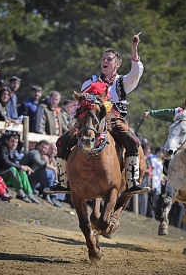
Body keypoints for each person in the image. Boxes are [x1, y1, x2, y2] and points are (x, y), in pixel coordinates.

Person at [45, 33, 149, 195]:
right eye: (103, 59)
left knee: (133, 140)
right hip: (91, 121)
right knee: (61, 141)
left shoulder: (122, 82)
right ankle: (63, 181)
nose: (105, 61)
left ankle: (131, 181)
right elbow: (81, 104)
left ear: (117, 64)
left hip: (114, 121)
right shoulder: (90, 82)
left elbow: (136, 73)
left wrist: (134, 48)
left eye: (109, 59)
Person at [0, 132, 40, 204]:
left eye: (16, 142)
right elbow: (6, 162)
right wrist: (20, 166)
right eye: (12, 141)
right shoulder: (1, 149)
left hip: (4, 176)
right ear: (7, 141)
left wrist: (22, 167)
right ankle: (20, 193)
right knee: (13, 169)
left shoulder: (13, 151)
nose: (14, 144)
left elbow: (15, 164)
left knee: (22, 171)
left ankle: (29, 194)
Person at [19, 140, 62, 207]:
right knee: (43, 171)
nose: (43, 149)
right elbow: (39, 163)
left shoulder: (47, 157)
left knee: (56, 175)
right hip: (23, 179)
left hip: (31, 180)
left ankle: (53, 196)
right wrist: (53, 168)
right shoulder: (34, 152)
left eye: (45, 148)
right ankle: (47, 195)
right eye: (42, 147)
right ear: (38, 146)